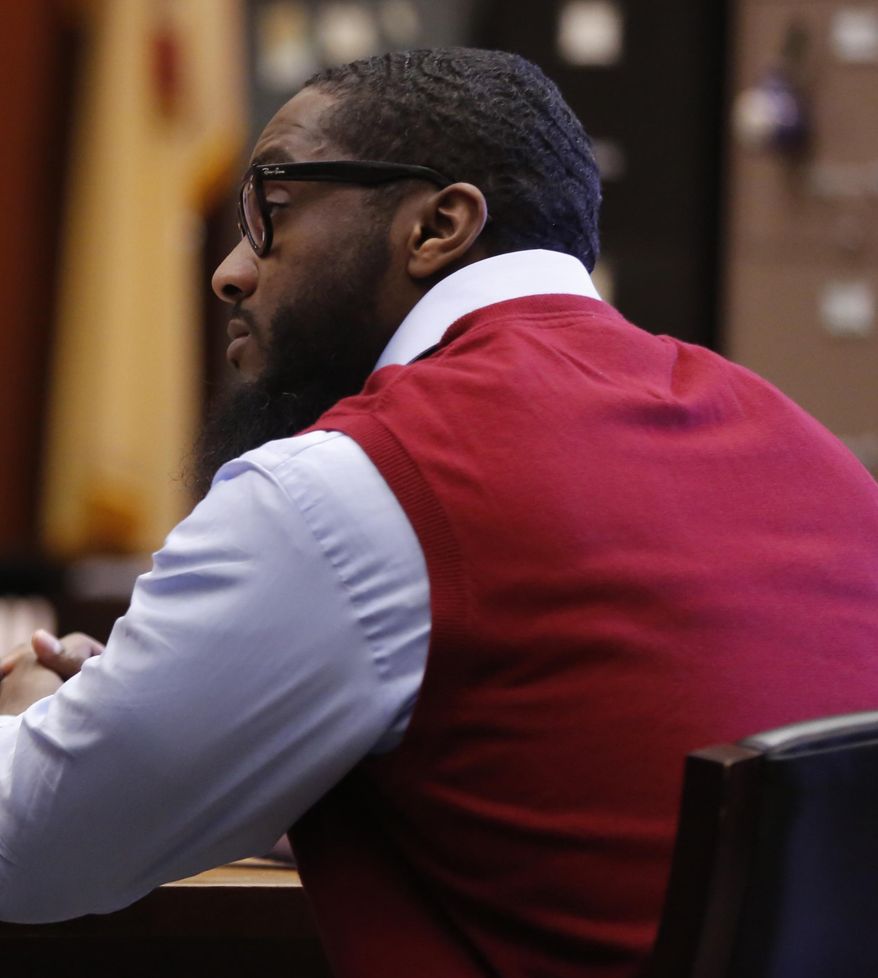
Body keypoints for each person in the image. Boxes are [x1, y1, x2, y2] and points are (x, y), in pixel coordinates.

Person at [2, 47, 878, 978]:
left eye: (273, 213)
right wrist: (176, 700)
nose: (229, 270)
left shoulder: (347, 486)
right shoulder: (789, 432)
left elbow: (36, 850)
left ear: (438, 227)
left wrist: (37, 722)